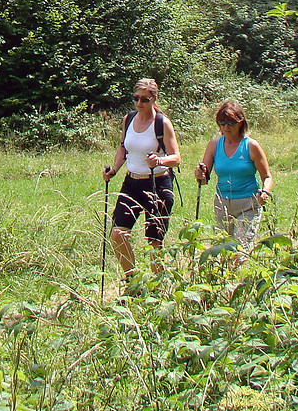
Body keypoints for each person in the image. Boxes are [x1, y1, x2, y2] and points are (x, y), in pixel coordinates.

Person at [102, 78, 181, 279]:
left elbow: (176, 158)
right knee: (117, 235)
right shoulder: (129, 119)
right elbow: (123, 147)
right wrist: (114, 170)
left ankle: (157, 288)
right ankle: (132, 280)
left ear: (154, 98)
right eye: (136, 98)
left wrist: (160, 160)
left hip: (157, 184)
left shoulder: (162, 123)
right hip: (131, 183)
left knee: (154, 241)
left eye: (144, 99)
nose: (139, 103)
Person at [195, 100, 272, 250]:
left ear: (240, 123)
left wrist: (265, 192)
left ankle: (242, 272)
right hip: (222, 203)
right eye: (222, 123)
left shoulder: (251, 146)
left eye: (230, 123)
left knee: (241, 249)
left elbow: (267, 176)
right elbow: (204, 179)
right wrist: (199, 174)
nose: (226, 127)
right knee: (226, 248)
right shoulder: (214, 144)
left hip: (248, 204)